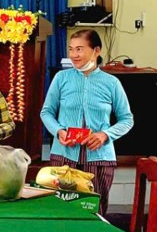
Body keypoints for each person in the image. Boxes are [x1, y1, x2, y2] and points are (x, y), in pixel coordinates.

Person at [40, 30, 133, 214]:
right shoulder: (61, 78)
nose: (74, 55)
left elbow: (127, 119)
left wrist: (105, 135)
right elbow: (47, 112)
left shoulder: (111, 82)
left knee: (95, 210)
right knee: (60, 211)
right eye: (71, 49)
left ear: (96, 50)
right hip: (64, 156)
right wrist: (59, 131)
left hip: (99, 158)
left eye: (79, 49)